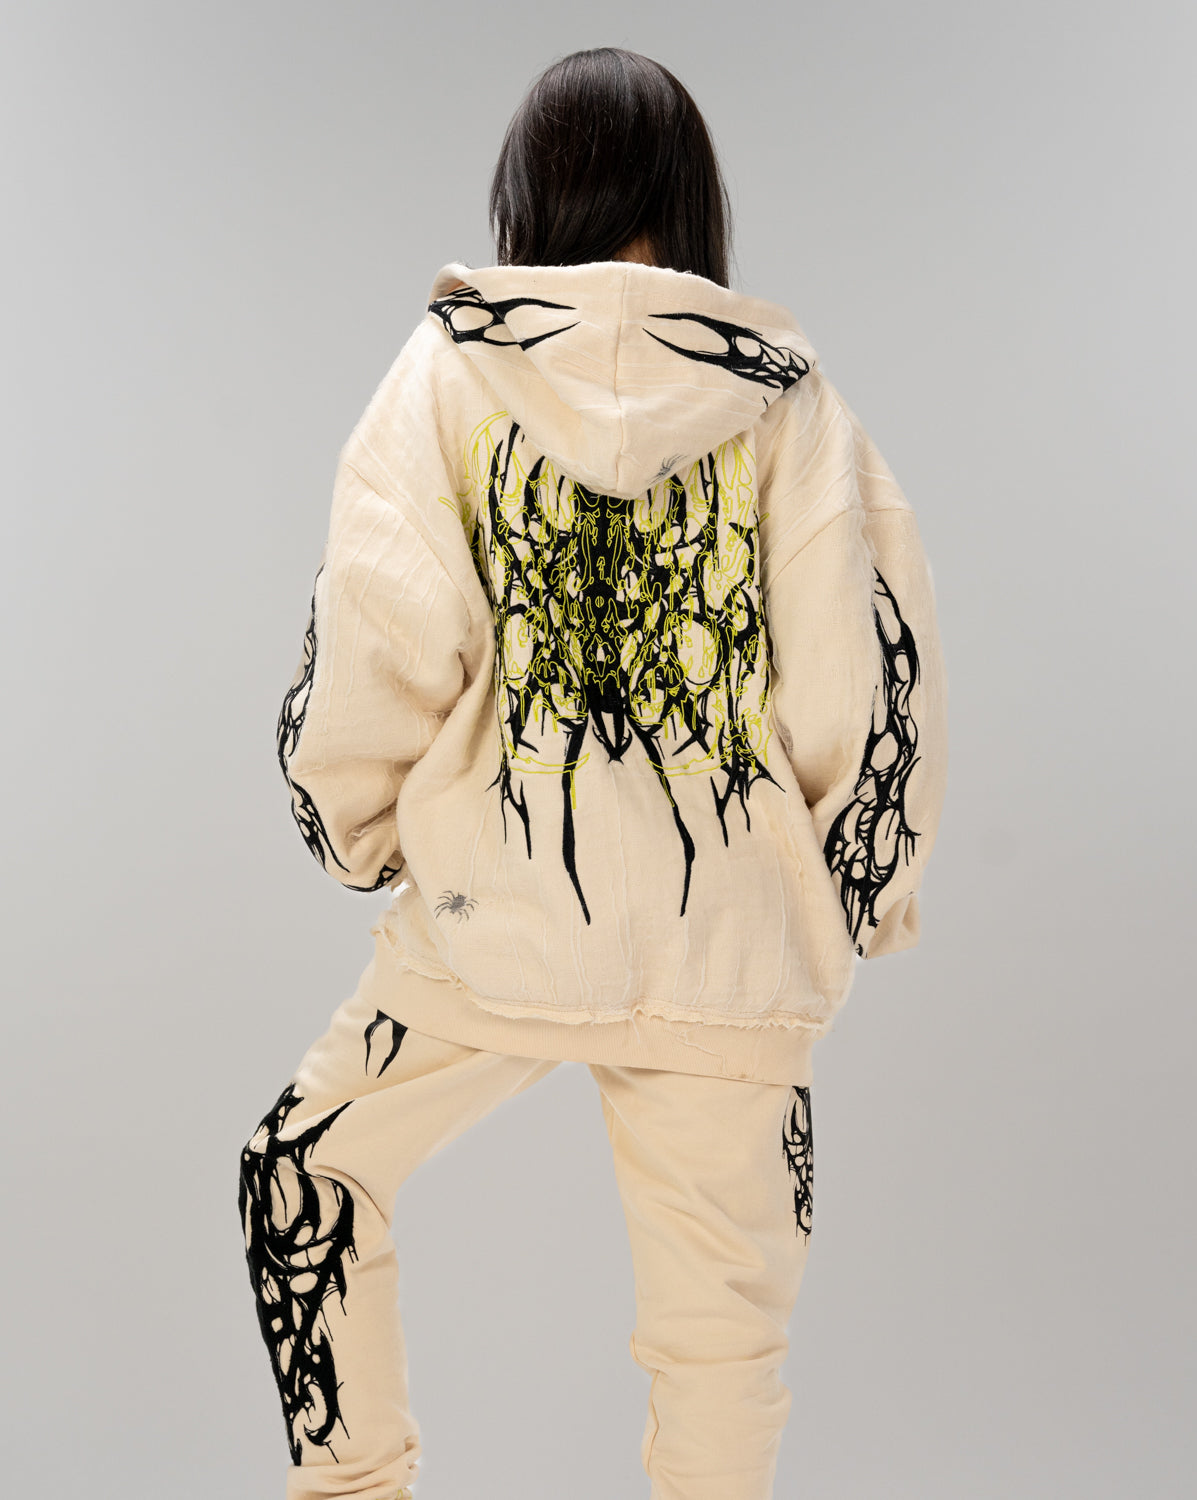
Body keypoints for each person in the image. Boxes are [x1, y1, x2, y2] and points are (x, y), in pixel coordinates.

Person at [237, 44, 949, 1500]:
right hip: (731, 938)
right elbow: (863, 668)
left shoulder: (449, 374)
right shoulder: (787, 399)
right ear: (694, 195)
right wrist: (846, 894)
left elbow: (381, 621)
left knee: (304, 1171)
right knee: (720, 1347)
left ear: (526, 190)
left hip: (494, 914)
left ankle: (353, 1488)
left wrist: (359, 827)